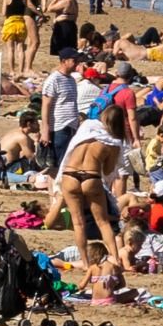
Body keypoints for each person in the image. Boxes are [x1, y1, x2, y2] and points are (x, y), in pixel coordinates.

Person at [57, 103, 126, 265]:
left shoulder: (87, 127)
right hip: (91, 176)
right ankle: (116, 260)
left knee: (78, 222)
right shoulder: (113, 142)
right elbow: (109, 171)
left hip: (69, 174)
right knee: (102, 222)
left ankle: (86, 263)